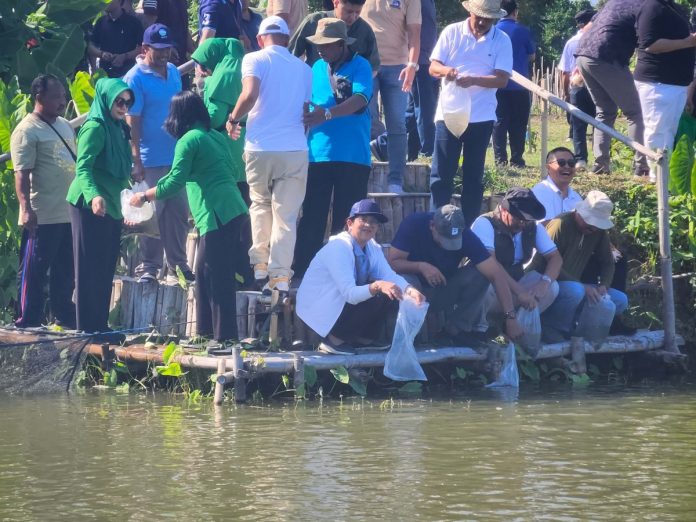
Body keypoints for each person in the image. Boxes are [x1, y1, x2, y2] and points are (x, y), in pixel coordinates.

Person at [130, 92, 248, 342]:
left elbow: (174, 182)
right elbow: (234, 168)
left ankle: (226, 340)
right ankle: (204, 335)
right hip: (233, 209)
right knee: (204, 273)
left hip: (217, 213)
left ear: (178, 116)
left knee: (217, 276)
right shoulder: (214, 136)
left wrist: (144, 196)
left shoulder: (188, 140)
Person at [228, 16, 312, 293]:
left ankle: (260, 265)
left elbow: (249, 95)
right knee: (286, 216)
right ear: (287, 40)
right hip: (294, 148)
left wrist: (233, 118)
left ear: (260, 38)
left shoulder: (254, 59)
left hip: (259, 147)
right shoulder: (304, 68)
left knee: (260, 205)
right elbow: (305, 110)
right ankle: (280, 277)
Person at [293, 18, 373, 277]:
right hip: (318, 154)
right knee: (312, 217)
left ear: (341, 45)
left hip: (353, 156)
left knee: (346, 220)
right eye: (318, 45)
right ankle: (304, 270)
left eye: (326, 46)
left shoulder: (361, 66)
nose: (321, 51)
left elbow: (360, 100)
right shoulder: (314, 67)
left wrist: (326, 114)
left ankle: (344, 273)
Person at [297, 199, 424, 355]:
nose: (368, 225)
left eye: (373, 222)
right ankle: (333, 341)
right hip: (319, 307)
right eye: (363, 220)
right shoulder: (338, 248)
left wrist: (410, 290)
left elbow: (389, 275)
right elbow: (350, 294)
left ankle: (363, 339)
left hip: (341, 301)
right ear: (350, 223)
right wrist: (378, 286)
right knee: (379, 290)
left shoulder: (372, 247)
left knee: (391, 291)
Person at [388, 205, 522, 345]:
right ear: (432, 225)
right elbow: (392, 262)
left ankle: (456, 329)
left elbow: (496, 274)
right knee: (404, 279)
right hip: (413, 291)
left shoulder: (467, 236)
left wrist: (511, 318)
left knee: (480, 274)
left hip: (443, 290)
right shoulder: (414, 224)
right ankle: (407, 336)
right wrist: (421, 267)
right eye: (444, 239)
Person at [428, 0, 512, 224]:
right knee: (441, 174)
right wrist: (448, 71)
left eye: (488, 18)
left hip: (481, 117)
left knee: (473, 177)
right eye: (479, 17)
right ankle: (437, 221)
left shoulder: (502, 40)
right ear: (470, 12)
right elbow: (433, 66)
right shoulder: (451, 31)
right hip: (449, 114)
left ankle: (470, 226)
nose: (483, 22)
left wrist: (474, 79)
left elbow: (502, 79)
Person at [66, 78, 134, 343]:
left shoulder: (119, 127)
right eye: (119, 101)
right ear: (107, 99)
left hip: (112, 204)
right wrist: (94, 196)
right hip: (88, 203)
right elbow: (83, 168)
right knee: (88, 265)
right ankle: (87, 330)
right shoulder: (94, 127)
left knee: (106, 265)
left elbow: (121, 168)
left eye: (127, 102)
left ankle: (100, 326)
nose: (123, 106)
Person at [123, 24, 192, 285]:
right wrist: (136, 159)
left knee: (178, 211)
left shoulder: (174, 72)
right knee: (151, 214)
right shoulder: (135, 78)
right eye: (159, 50)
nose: (165, 54)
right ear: (145, 49)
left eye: (167, 48)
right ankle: (149, 267)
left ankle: (178, 265)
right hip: (149, 156)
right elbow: (133, 120)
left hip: (175, 156)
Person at [11, 74, 76, 329]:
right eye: (56, 97)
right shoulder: (27, 130)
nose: (62, 101)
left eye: (63, 95)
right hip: (42, 214)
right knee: (34, 269)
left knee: (65, 269)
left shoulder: (64, 125)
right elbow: (22, 173)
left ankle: (63, 314)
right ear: (39, 98)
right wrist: (26, 209)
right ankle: (28, 318)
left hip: (67, 212)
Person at [191, 37, 254, 287]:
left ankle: (227, 274)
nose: (202, 70)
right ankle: (246, 273)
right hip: (245, 153)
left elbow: (215, 117)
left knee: (224, 222)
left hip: (226, 154)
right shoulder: (242, 66)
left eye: (202, 64)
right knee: (244, 217)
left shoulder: (224, 73)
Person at [530, 191, 630, 341]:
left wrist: (604, 284)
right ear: (579, 213)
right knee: (575, 291)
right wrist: (583, 286)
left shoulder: (598, 232)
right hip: (547, 282)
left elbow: (608, 262)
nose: (593, 229)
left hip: (574, 286)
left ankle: (582, 331)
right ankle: (554, 329)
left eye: (596, 225)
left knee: (620, 300)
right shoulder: (561, 224)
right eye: (590, 223)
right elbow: (545, 263)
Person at [575, 0, 649, 176]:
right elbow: (648, 39)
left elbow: (586, 29)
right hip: (606, 56)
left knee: (605, 112)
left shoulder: (613, 3)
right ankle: (642, 165)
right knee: (636, 111)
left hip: (583, 54)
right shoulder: (644, 7)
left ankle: (600, 165)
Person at [470, 188, 561, 331]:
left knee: (552, 287)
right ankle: (481, 328)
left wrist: (545, 282)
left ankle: (518, 328)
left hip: (515, 283)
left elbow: (556, 258)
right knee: (484, 288)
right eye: (519, 219)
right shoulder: (484, 224)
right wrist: (520, 292)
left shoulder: (532, 226)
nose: (523, 224)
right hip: (490, 287)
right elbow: (493, 266)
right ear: (504, 210)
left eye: (527, 220)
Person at [634, 0, 696, 183]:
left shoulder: (673, 7)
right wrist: (689, 41)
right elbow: (650, 44)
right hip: (658, 82)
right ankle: (657, 179)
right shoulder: (652, 6)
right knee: (658, 131)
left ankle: (665, 179)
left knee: (668, 131)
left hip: (676, 83)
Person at [363, 0, 421, 193]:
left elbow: (415, 32)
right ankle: (360, 173)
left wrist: (412, 65)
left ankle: (395, 181)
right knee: (364, 120)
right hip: (365, 64)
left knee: (397, 124)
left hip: (398, 67)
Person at [492, 0, 535, 168]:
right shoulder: (523, 30)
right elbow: (531, 56)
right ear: (515, 12)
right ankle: (517, 159)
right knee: (519, 123)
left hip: (497, 84)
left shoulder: (493, 31)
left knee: (499, 122)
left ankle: (500, 159)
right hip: (520, 85)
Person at [289, 0, 380, 73]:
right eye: (349, 11)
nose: (353, 17)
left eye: (357, 12)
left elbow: (373, 67)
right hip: (314, 84)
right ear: (336, 2)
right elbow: (290, 55)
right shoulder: (313, 21)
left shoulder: (365, 30)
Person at [557, 8, 596, 171]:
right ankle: (601, 158)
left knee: (578, 125)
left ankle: (580, 159)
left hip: (577, 86)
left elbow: (565, 71)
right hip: (596, 86)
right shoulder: (598, 38)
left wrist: (566, 92)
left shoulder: (571, 42)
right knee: (600, 122)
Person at [406, 0, 438, 159]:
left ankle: (385, 144)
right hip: (420, 61)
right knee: (425, 108)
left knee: (413, 110)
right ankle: (427, 151)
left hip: (427, 60)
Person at [88, 0, 144, 78]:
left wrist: (124, 56)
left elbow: (141, 48)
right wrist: (102, 54)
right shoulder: (101, 22)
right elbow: (91, 46)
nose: (105, 2)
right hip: (105, 75)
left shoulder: (133, 23)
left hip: (128, 75)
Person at [531, 147, 583, 223]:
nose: (567, 166)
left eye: (571, 163)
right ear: (548, 167)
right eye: (561, 162)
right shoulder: (537, 194)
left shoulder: (577, 198)